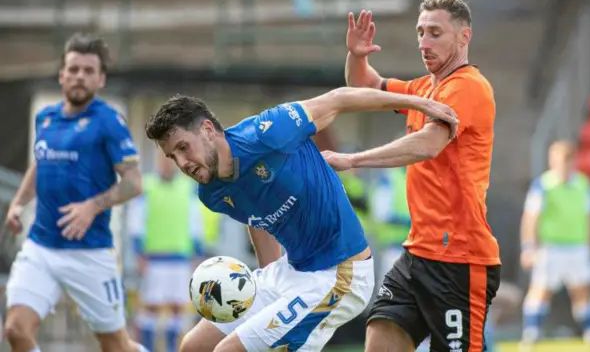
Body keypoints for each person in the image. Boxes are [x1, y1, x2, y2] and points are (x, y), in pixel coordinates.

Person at [144, 86, 459, 352]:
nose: (182, 162)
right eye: (173, 155)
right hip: (291, 270)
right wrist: (268, 295)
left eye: (183, 147)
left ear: (208, 130)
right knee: (193, 346)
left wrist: (418, 103)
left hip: (339, 273)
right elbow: (257, 218)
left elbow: (338, 99)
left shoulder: (268, 132)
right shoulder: (210, 193)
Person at [322, 0, 501, 351]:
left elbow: (428, 143)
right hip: (417, 253)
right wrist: (357, 54)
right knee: (381, 338)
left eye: (435, 32)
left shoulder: (468, 87)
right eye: (420, 32)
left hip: (460, 261)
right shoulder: (422, 88)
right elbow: (366, 87)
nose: (423, 42)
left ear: (464, 37)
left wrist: (353, 160)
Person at [2, 33, 147, 352]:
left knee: (115, 345)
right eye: (74, 69)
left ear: (101, 79)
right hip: (41, 247)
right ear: (62, 75)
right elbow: (39, 164)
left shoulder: (108, 121)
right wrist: (17, 203)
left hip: (90, 253)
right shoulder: (47, 117)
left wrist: (91, 207)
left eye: (88, 70)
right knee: (15, 330)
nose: (80, 76)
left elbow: (134, 182)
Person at [519, 140, 590, 350]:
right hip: (551, 248)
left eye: (565, 161)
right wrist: (529, 248)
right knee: (540, 290)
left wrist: (589, 246)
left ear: (574, 162)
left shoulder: (584, 184)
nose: (561, 166)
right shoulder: (543, 185)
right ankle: (531, 334)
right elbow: (530, 218)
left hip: (577, 248)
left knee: (582, 291)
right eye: (556, 161)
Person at [127, 152, 205, 352]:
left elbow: (195, 222)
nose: (167, 166)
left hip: (180, 257)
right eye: (164, 162)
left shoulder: (188, 188)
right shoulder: (147, 186)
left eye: (171, 163)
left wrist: (197, 252)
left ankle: (172, 348)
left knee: (177, 306)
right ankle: (147, 348)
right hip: (155, 258)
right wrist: (139, 252)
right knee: (151, 306)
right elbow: (136, 221)